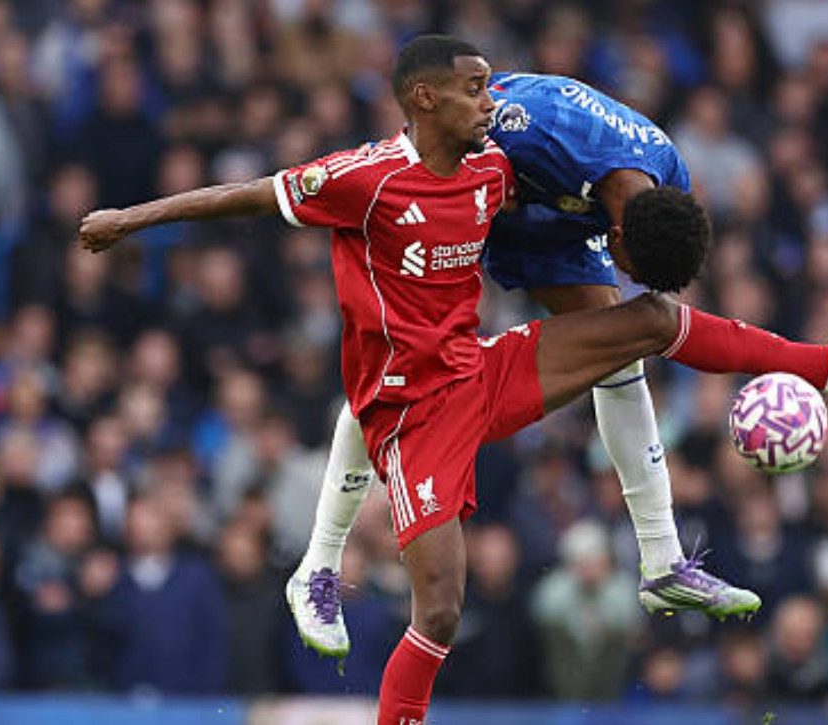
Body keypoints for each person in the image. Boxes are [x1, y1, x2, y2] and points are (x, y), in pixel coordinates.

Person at [79, 35, 828, 724]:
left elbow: (588, 209)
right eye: (476, 91)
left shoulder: (496, 172)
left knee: (646, 325)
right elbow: (250, 196)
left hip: (483, 367)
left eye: (489, 90)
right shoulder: (368, 178)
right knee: (440, 607)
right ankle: (319, 567)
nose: (491, 104)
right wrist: (130, 220)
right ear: (426, 102)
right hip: (409, 412)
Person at [290, 68, 747, 660]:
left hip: (554, 216)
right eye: (631, 268)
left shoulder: (665, 181)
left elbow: (644, 262)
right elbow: (442, 130)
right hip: (466, 188)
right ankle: (318, 564)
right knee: (400, 363)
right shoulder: (527, 130)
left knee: (619, 345)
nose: (627, 279)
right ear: (620, 236)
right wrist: (476, 186)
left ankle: (662, 561)